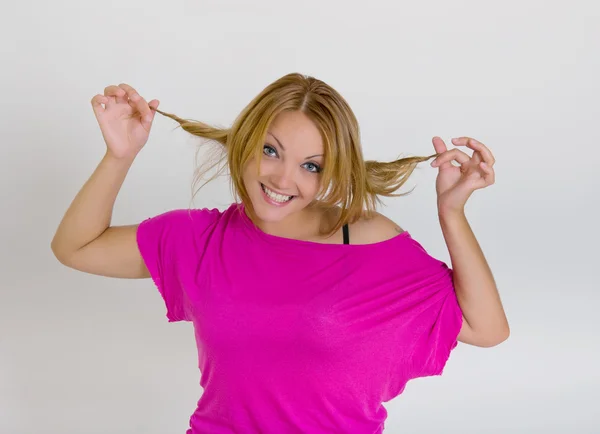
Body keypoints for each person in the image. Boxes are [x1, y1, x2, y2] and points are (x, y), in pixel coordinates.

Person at [51, 72, 509, 433]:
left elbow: (486, 328)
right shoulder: (200, 239)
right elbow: (77, 247)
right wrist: (120, 155)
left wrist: (452, 212)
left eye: (311, 165)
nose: (284, 179)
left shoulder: (369, 240)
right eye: (271, 151)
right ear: (246, 141)